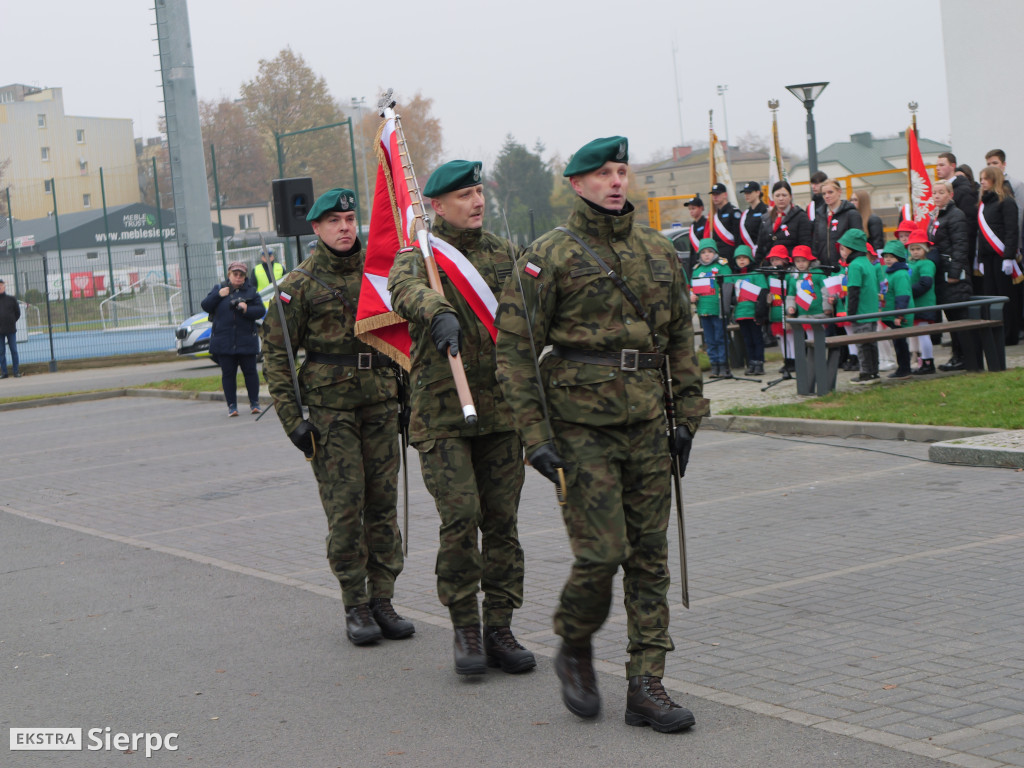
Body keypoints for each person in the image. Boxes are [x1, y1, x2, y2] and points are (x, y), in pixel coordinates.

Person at [494, 136, 708, 733]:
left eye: (622, 170)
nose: (616, 180)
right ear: (578, 184)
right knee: (601, 553)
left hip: (647, 423)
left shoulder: (658, 252)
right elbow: (513, 350)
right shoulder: (549, 255)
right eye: (603, 173)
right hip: (579, 426)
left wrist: (687, 416)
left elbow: (681, 340)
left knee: (649, 555)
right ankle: (576, 639)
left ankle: (646, 685)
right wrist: (533, 434)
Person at [387, 160, 535, 677]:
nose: (477, 202)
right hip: (444, 419)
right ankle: (465, 627)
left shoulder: (504, 254)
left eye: (479, 192)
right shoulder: (418, 257)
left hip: (501, 414)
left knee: (502, 524)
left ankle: (499, 626)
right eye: (465, 195)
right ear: (437, 205)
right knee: (461, 518)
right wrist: (437, 308)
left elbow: (533, 309)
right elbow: (402, 291)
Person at [261, 188, 413, 647]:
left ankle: (383, 598)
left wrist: (407, 399)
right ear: (317, 229)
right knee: (347, 509)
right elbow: (276, 356)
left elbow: (401, 339)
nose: (345, 227)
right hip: (331, 414)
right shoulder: (298, 285)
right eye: (334, 221)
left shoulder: (382, 275)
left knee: (383, 507)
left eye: (350, 218)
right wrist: (293, 420)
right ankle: (356, 603)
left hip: (382, 405)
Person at [200, 262, 266, 416]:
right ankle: (232, 406)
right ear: (229, 274)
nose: (238, 277)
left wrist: (246, 308)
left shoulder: (251, 292)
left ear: (245, 277)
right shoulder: (219, 289)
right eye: (235, 274)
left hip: (246, 340)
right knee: (228, 374)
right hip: (224, 341)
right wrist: (218, 295)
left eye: (241, 275)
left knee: (250, 372)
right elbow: (205, 305)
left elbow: (260, 310)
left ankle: (254, 403)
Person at [928, 178, 973, 371]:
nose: (937, 196)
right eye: (934, 193)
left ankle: (965, 356)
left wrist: (954, 272)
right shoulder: (936, 216)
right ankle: (957, 355)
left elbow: (961, 246)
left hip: (953, 275)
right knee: (951, 318)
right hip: (941, 274)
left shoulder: (956, 215)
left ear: (950, 194)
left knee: (959, 318)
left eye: (941, 192)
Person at [977, 165, 1021, 346]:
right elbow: (981, 234)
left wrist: (1009, 256)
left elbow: (1012, 230)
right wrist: (980, 259)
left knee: (1006, 297)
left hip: (1002, 257)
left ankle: (1010, 334)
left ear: (994, 180)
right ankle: (996, 333)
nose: (982, 182)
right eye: (981, 179)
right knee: (991, 296)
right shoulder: (983, 203)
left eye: (985, 179)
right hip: (988, 258)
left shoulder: (1006, 201)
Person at [837, 229, 881, 384]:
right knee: (871, 343)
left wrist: (851, 313)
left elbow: (854, 291)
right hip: (871, 310)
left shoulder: (855, 265)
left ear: (852, 247)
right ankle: (874, 371)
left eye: (843, 248)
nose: (841, 252)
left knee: (862, 344)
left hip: (861, 312)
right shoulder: (866, 262)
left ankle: (866, 373)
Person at [691, 238, 732, 378]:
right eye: (703, 252)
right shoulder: (697, 270)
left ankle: (724, 365)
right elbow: (693, 288)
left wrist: (725, 308)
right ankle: (714, 365)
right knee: (709, 339)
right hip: (704, 309)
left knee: (721, 337)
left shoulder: (722, 266)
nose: (706, 255)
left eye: (709, 251)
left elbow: (727, 287)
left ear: (715, 253)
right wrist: (693, 296)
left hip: (718, 309)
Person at [728, 245, 767, 375]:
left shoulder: (756, 274)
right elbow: (732, 295)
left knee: (757, 339)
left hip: (753, 312)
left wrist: (760, 312)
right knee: (747, 340)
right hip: (741, 313)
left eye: (744, 257)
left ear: (750, 258)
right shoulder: (734, 277)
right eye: (739, 258)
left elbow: (763, 294)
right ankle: (751, 362)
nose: (742, 260)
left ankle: (759, 363)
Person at [879, 241, 915, 379]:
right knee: (897, 342)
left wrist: (899, 315)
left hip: (899, 315)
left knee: (900, 343)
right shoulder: (890, 273)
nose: (887, 259)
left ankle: (904, 369)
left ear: (899, 258)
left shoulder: (900, 274)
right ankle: (902, 368)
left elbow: (902, 295)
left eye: (891, 257)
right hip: (892, 314)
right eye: (886, 256)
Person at [906, 229, 939, 375]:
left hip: (924, 303)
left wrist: (907, 292)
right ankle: (922, 361)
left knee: (924, 334)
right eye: (912, 249)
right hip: (914, 304)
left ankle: (928, 361)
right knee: (918, 334)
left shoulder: (927, 264)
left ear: (925, 249)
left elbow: (925, 284)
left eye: (918, 248)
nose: (915, 252)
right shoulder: (910, 264)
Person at [757, 181, 813, 263]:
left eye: (784, 195)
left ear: (790, 196)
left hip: (792, 265)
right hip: (770, 266)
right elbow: (761, 246)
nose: (781, 198)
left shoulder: (801, 216)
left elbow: (805, 245)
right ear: (772, 197)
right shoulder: (766, 218)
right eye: (777, 195)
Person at [813, 179, 863, 267]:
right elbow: (815, 239)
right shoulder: (819, 215)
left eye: (830, 192)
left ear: (839, 192)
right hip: (824, 266)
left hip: (844, 266)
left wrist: (851, 262)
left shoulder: (851, 214)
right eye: (824, 194)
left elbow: (858, 242)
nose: (826, 196)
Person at [985, 149, 1024, 232]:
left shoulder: (1016, 184)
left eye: (995, 163)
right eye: (988, 164)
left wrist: (1017, 242)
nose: (991, 166)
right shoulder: (985, 186)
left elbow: (1020, 215)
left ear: (1004, 164)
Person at [708, 182, 742, 268]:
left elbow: (738, 237)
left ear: (725, 195)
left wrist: (737, 255)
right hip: (719, 255)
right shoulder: (715, 215)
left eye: (718, 194)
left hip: (732, 252)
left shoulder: (733, 212)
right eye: (713, 195)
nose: (715, 197)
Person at [739, 181, 767, 260]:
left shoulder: (766, 210)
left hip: (763, 252)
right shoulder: (745, 214)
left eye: (749, 193)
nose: (746, 195)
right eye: (745, 193)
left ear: (758, 192)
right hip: (749, 254)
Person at [0, 279, 21, 379]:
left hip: (11, 330)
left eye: (1, 285)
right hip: (0, 331)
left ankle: (16, 372)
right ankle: (4, 373)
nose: (0, 287)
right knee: (1, 351)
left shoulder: (11, 299)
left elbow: (18, 313)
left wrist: (12, 321)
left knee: (14, 350)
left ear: (4, 286)